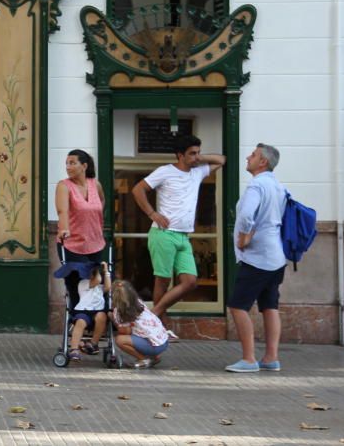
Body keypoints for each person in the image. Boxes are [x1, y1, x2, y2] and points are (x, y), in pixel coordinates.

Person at [131, 134, 225, 337]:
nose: (196, 157)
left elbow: (222, 160)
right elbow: (138, 189)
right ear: (179, 155)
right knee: (162, 281)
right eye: (192, 153)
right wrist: (152, 213)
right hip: (163, 233)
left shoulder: (197, 172)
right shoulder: (165, 171)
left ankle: (154, 315)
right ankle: (159, 328)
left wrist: (200, 157)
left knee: (190, 281)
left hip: (183, 236)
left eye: (198, 153)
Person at [225, 143, 287, 373]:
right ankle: (271, 357)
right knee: (269, 305)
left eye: (253, 155)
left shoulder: (256, 185)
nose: (248, 157)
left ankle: (249, 359)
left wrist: (243, 238)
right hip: (276, 255)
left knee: (237, 306)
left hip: (257, 258)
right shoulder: (278, 186)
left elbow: (246, 216)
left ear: (263, 162)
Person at [55, 149, 106, 307]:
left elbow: (102, 202)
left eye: (72, 163)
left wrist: (93, 220)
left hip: (96, 243)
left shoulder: (95, 184)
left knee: (98, 283)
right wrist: (65, 229)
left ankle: (95, 320)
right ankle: (78, 319)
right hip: (73, 244)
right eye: (67, 164)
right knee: (78, 284)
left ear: (84, 166)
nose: (68, 167)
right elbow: (62, 211)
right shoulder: (64, 186)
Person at [111, 279, 169, 369]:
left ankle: (143, 359)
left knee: (120, 340)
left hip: (153, 345)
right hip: (163, 341)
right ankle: (154, 357)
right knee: (142, 332)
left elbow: (125, 332)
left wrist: (113, 319)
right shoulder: (139, 302)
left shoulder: (119, 312)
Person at [68, 261, 111, 362]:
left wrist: (106, 271)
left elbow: (108, 287)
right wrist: (96, 268)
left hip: (98, 311)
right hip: (83, 310)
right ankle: (74, 349)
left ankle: (93, 343)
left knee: (102, 317)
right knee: (80, 322)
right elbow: (97, 280)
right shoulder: (83, 283)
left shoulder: (99, 287)